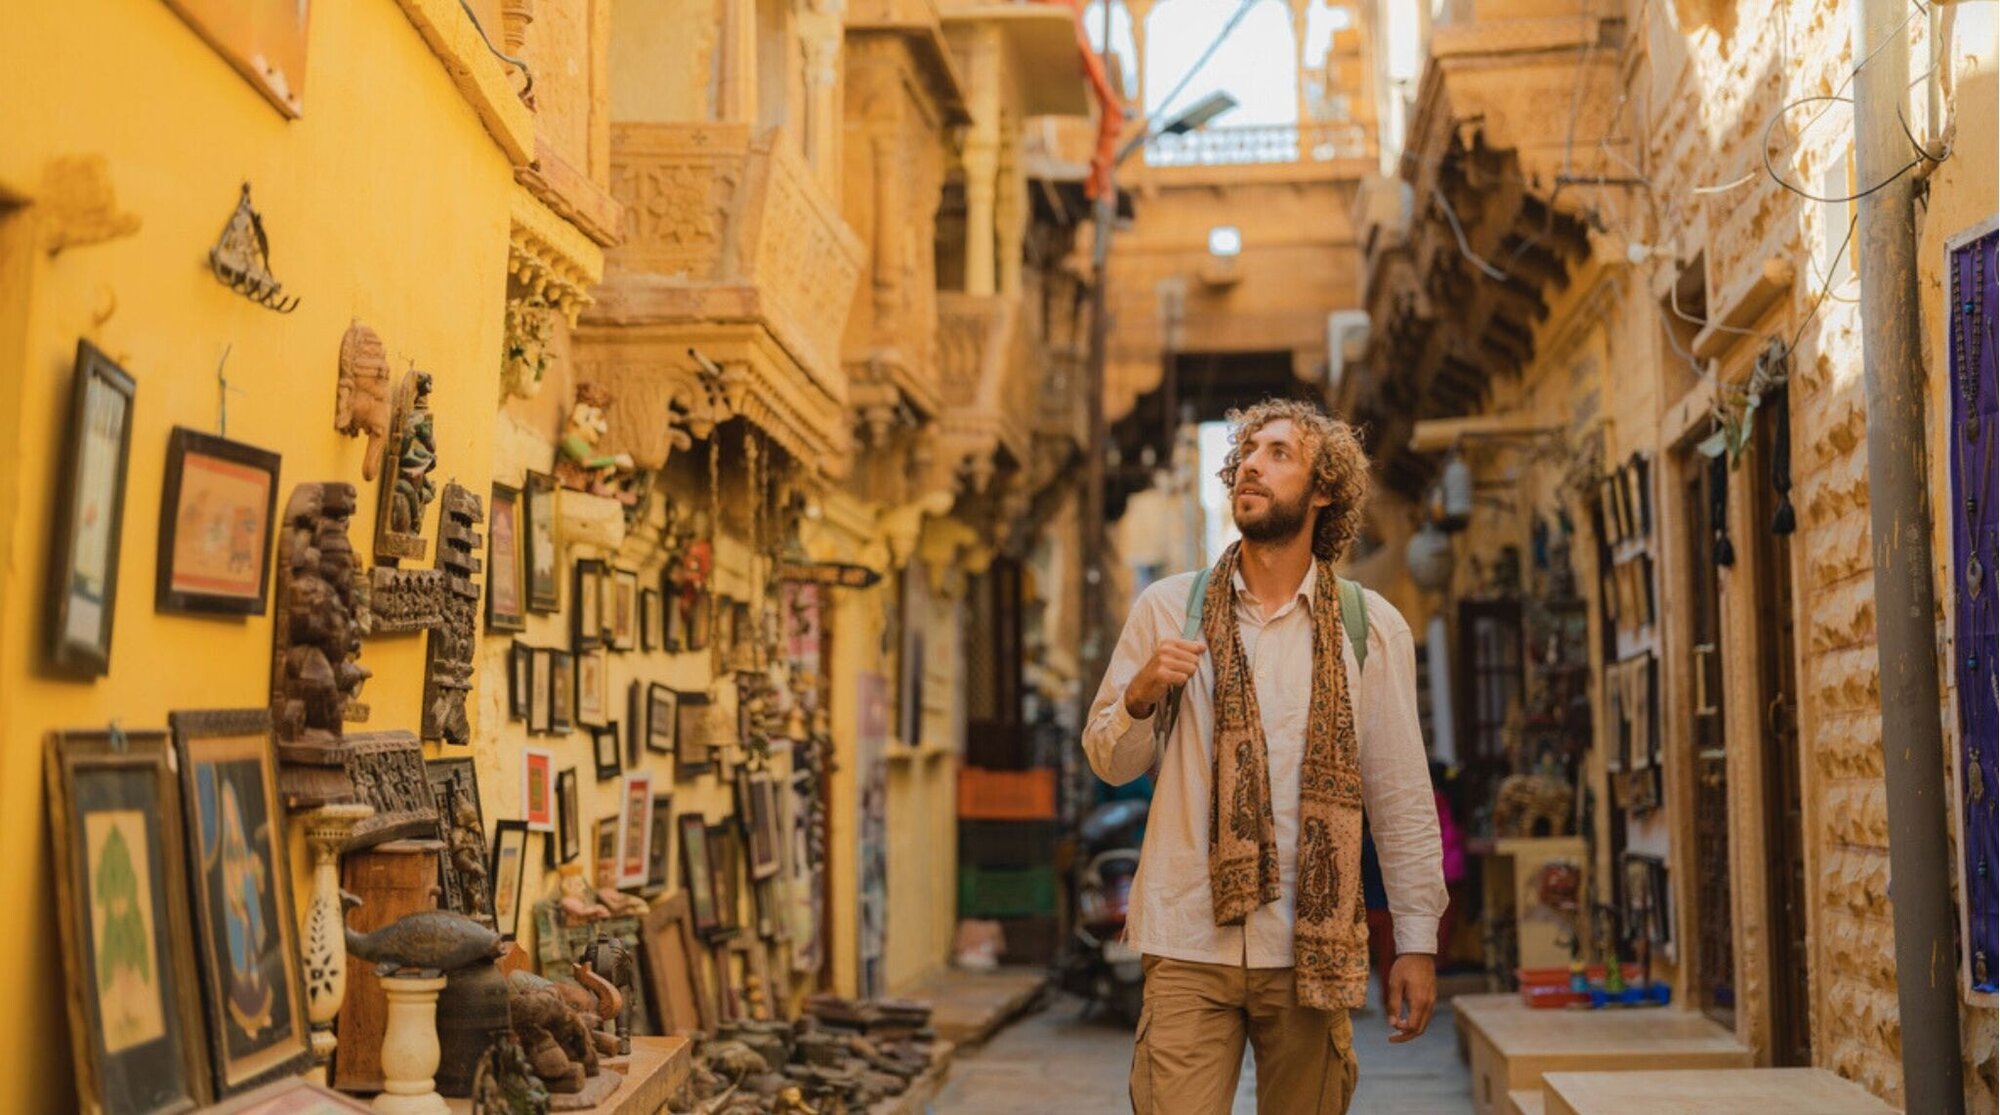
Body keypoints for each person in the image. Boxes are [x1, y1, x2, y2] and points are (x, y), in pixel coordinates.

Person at [1083, 399, 1448, 1115]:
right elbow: (1108, 759)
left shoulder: (1370, 626)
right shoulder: (1169, 609)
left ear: (1323, 490)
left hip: (1309, 950)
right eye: (1247, 451)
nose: (1252, 461)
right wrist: (1139, 694)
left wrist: (1417, 940)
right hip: (1188, 937)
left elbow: (1400, 794)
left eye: (1279, 452)